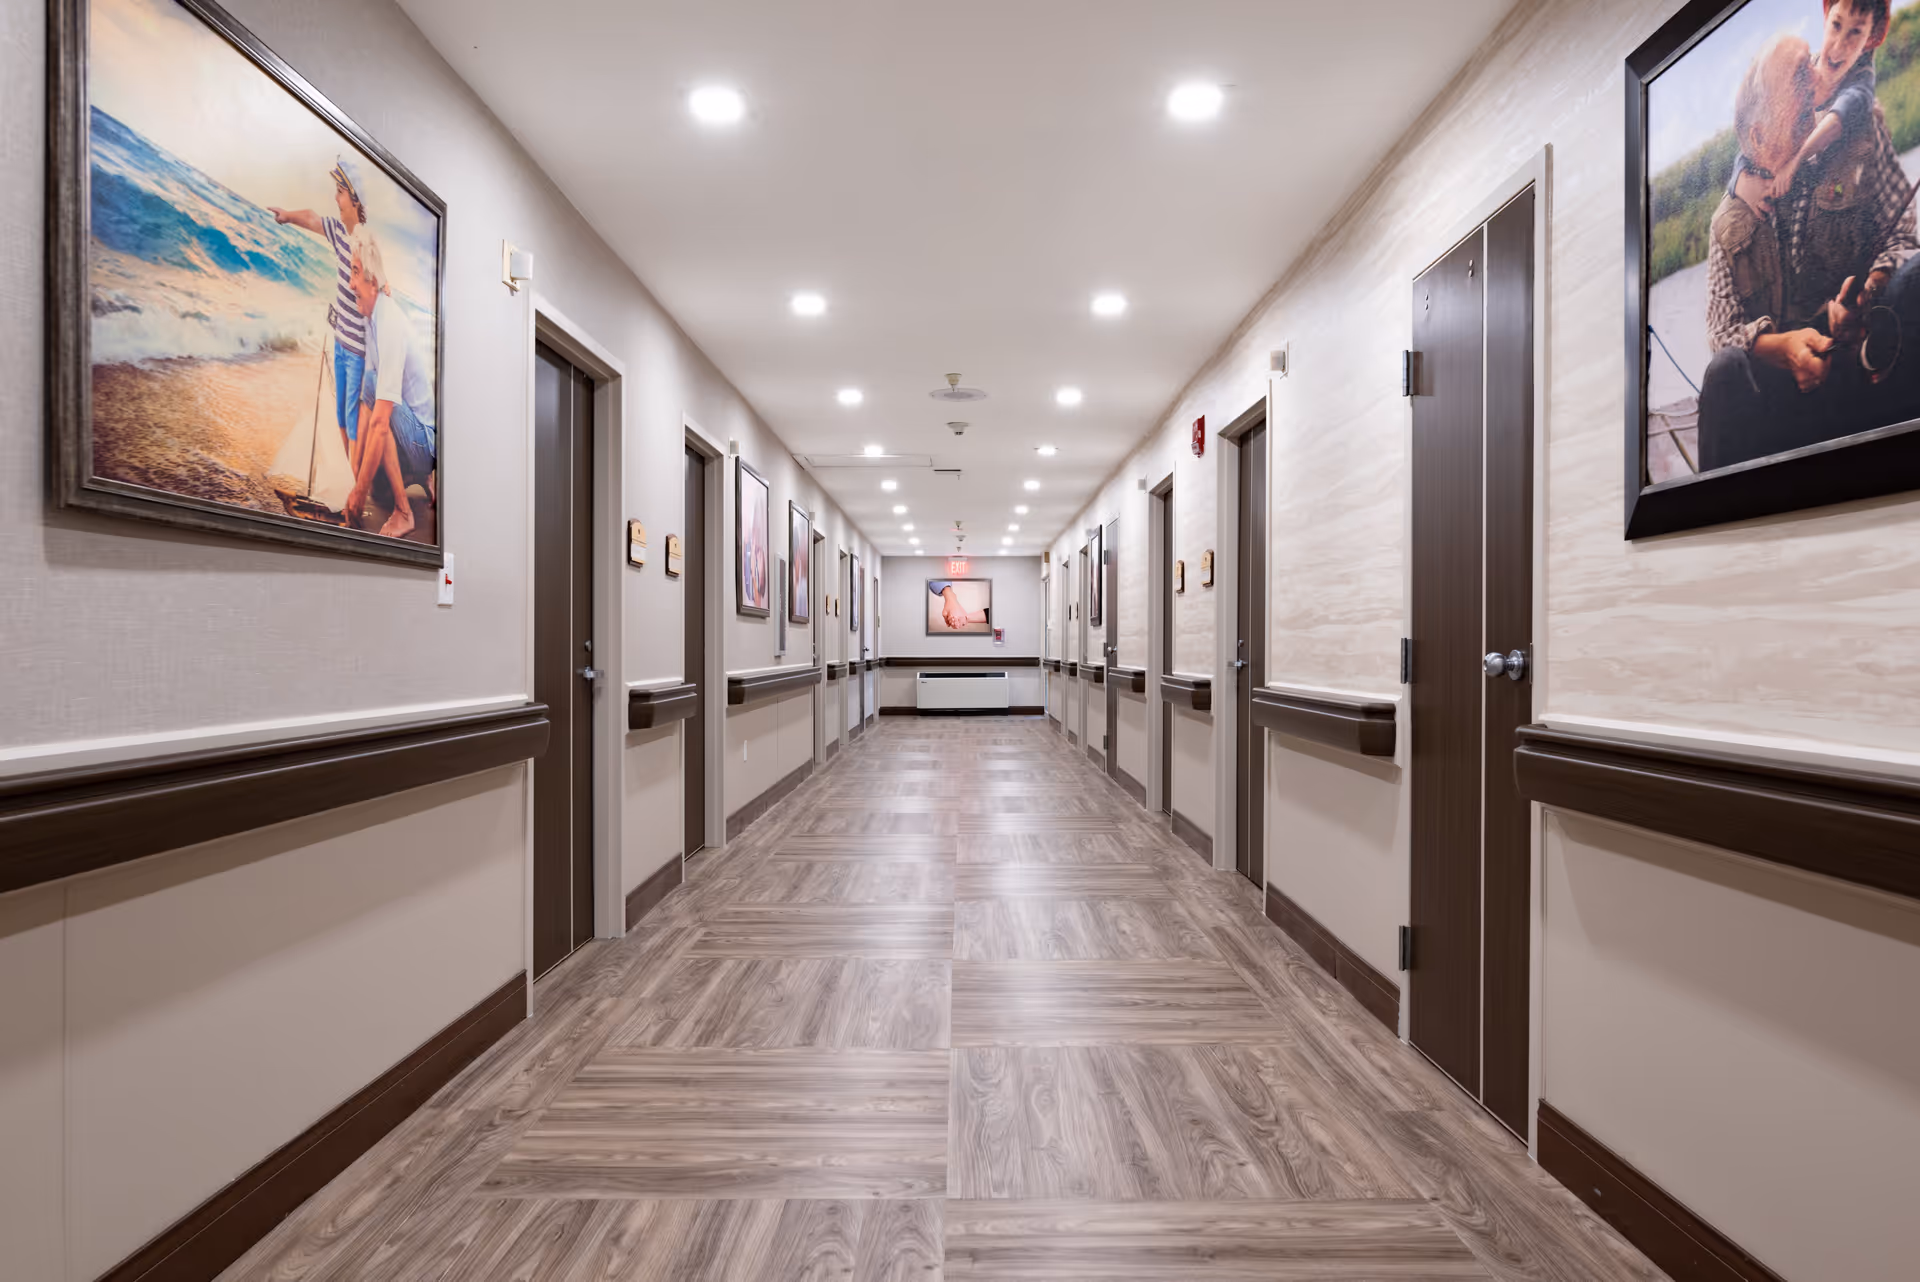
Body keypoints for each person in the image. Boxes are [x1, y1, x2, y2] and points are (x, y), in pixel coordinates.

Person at [1696, 30, 1920, 469]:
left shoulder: (1857, 138)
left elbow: (1903, 236)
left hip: (1862, 369)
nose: (1818, 78)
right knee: (1724, 371)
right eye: (1801, 76)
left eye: (1811, 64)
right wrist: (1781, 346)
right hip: (1785, 409)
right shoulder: (1726, 221)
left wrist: (1869, 290)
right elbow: (1721, 332)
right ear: (1759, 137)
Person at [268, 158, 377, 465]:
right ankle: (349, 477)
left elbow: (378, 287)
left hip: (358, 352)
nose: (335, 198)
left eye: (340, 192)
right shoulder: (339, 231)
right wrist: (288, 216)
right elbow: (313, 218)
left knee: (352, 420)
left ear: (354, 200)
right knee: (341, 416)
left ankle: (356, 483)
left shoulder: (367, 243)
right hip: (340, 343)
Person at [343, 235, 436, 539]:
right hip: (411, 436)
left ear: (372, 280)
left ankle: (404, 512)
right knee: (376, 490)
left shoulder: (389, 321)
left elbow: (380, 419)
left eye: (355, 272)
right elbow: (367, 409)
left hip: (423, 441)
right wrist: (355, 480)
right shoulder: (371, 320)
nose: (350, 282)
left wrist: (357, 493)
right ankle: (424, 479)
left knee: (372, 385)